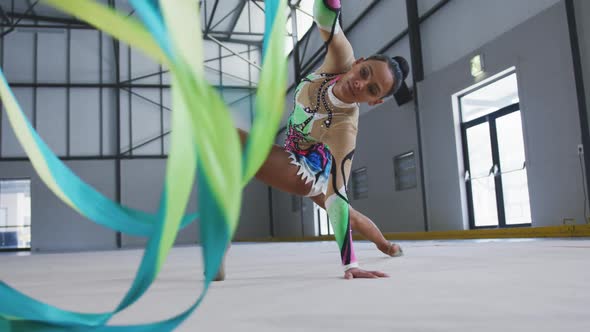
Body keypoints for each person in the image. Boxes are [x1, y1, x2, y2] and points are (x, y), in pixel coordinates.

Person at [223, 0, 409, 281]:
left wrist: (350, 264)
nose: (360, 83)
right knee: (354, 217)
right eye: (364, 72)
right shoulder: (340, 59)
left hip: (307, 170)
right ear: (358, 63)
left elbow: (337, 194)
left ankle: (219, 238)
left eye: (371, 89)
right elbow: (326, 20)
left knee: (227, 137)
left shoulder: (344, 129)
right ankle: (386, 245)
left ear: (375, 101)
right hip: (296, 154)